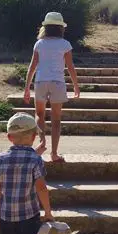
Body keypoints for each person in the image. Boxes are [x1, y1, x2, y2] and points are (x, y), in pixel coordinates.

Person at [24, 12, 80, 163]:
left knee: (39, 114)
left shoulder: (39, 44)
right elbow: (70, 67)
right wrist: (76, 86)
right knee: (56, 120)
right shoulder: (65, 44)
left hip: (41, 81)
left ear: (45, 27)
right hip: (58, 83)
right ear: (61, 27)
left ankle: (42, 142)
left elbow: (32, 66)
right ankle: (54, 153)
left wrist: (27, 87)